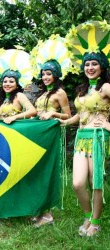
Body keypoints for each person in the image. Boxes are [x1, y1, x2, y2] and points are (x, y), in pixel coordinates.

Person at [59, 51, 110, 236]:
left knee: (94, 182)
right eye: (87, 65)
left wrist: (106, 124)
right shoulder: (83, 89)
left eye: (94, 64)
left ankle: (95, 223)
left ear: (102, 67)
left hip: (98, 137)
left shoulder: (105, 87)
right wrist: (65, 122)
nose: (90, 68)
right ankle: (88, 215)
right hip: (82, 137)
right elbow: (81, 115)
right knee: (78, 183)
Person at [33, 59, 71, 227]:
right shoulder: (42, 94)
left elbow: (68, 115)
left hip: (50, 137)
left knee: (46, 172)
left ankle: (48, 214)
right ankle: (39, 209)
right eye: (43, 74)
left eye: (49, 74)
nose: (45, 77)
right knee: (37, 171)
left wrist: (53, 115)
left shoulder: (60, 93)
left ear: (56, 75)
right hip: (39, 135)